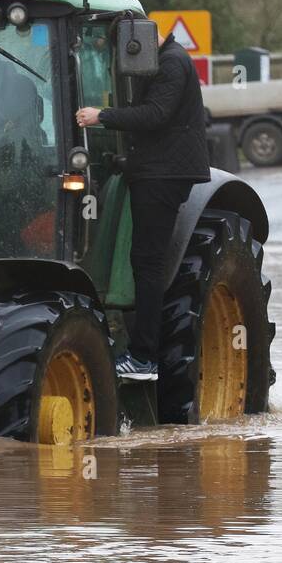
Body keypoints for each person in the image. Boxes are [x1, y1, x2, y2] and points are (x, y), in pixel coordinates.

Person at [76, 29, 211, 382]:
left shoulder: (172, 63)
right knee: (143, 261)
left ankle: (144, 357)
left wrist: (101, 116)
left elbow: (155, 114)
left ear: (137, 41)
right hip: (154, 169)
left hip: (164, 174)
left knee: (148, 262)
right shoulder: (164, 61)